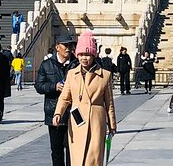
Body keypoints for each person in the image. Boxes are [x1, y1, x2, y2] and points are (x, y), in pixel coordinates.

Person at [52, 30, 117, 166]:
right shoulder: (71, 74)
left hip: (96, 120)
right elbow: (65, 97)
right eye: (81, 54)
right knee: (77, 157)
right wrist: (58, 113)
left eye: (87, 54)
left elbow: (109, 103)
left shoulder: (104, 75)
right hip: (77, 121)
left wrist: (112, 124)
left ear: (93, 55)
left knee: (93, 158)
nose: (84, 58)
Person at [35, 35, 79, 166]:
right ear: (57, 47)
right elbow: (39, 86)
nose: (68, 48)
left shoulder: (77, 64)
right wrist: (54, 86)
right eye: (65, 45)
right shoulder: (46, 65)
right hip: (54, 111)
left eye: (70, 45)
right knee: (56, 150)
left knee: (73, 150)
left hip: (73, 112)